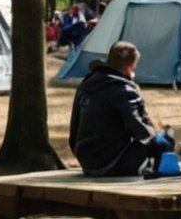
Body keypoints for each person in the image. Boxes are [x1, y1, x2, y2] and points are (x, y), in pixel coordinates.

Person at [68, 40, 174, 177]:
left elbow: (74, 133)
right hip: (112, 164)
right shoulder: (124, 90)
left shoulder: (86, 85)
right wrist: (161, 138)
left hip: (87, 163)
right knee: (165, 138)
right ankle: (162, 172)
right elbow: (141, 131)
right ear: (130, 68)